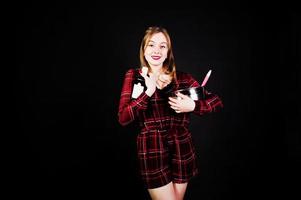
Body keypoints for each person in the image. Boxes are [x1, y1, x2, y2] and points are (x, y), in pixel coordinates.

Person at [118, 26, 223, 200]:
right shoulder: (134, 76)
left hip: (182, 145)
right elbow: (123, 118)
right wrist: (147, 92)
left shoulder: (182, 78)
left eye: (162, 46)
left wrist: (192, 106)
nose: (156, 50)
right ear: (144, 50)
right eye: (151, 45)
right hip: (152, 148)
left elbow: (216, 101)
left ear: (168, 52)